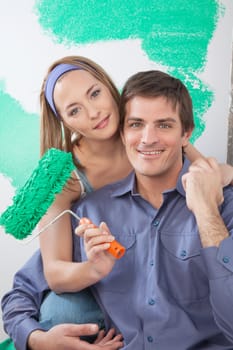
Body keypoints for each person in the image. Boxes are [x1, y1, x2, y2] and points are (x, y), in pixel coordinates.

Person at [1, 63, 233, 349]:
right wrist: (38, 339)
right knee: (62, 310)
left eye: (94, 94)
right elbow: (44, 277)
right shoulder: (76, 194)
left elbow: (204, 165)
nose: (94, 112)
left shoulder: (211, 195)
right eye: (74, 110)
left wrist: (213, 190)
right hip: (94, 290)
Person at [71, 70, 233, 348]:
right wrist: (37, 338)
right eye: (136, 124)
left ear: (186, 134)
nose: (148, 139)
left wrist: (206, 211)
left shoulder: (227, 206)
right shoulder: (91, 211)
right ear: (122, 133)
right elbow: (24, 292)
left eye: (164, 125)